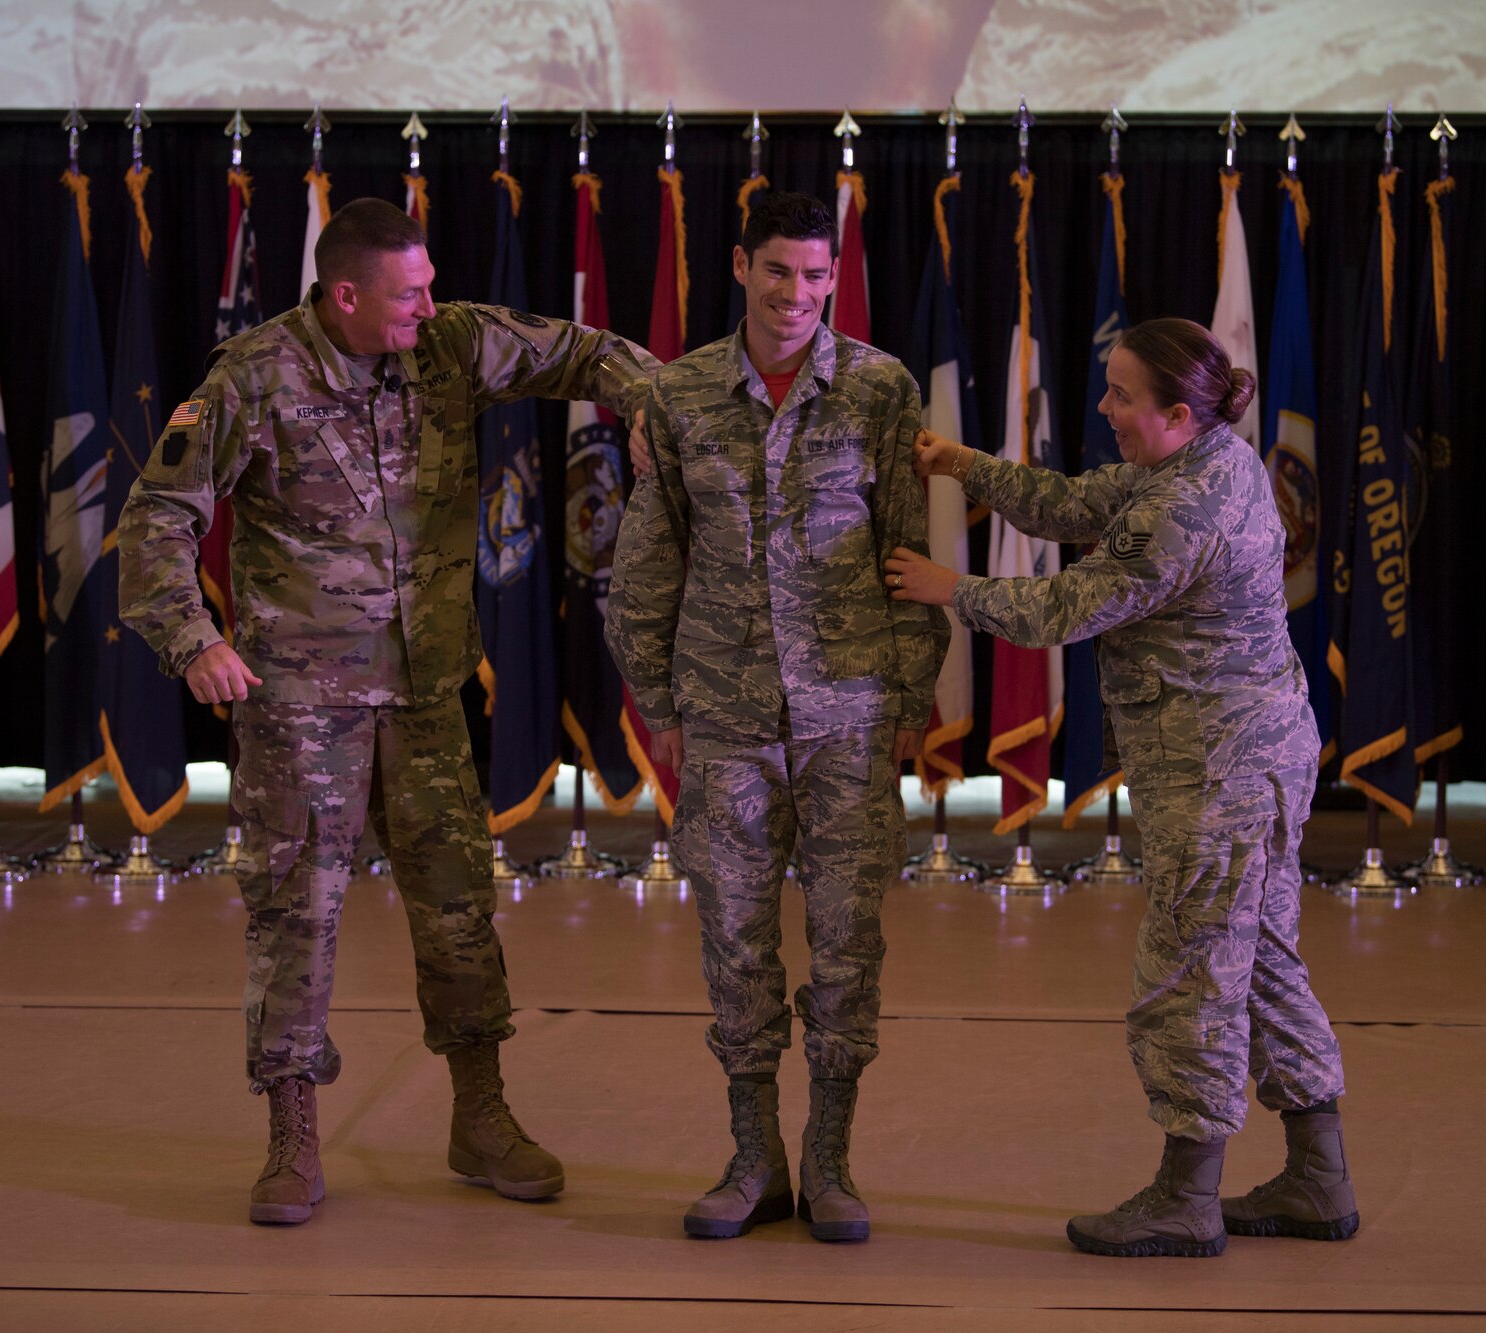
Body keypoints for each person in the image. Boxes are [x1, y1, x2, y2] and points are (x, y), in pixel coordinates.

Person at [118, 198, 657, 1226]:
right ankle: (290, 1133)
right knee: (296, 912)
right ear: (345, 293)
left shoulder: (449, 342)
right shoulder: (255, 376)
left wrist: (644, 402)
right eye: (407, 292)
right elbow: (156, 518)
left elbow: (583, 352)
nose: (429, 305)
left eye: (430, 284)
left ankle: (481, 1114)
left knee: (458, 906)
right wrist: (195, 641)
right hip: (300, 706)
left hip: (425, 691)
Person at [886, 317, 1354, 1258]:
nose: (1105, 409)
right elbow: (1074, 501)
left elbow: (1069, 604)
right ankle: (1319, 1174)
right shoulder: (1201, 460)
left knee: (1191, 974)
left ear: (1179, 413)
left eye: (1121, 396)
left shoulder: (1187, 508)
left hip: (1217, 769)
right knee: (1259, 959)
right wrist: (963, 463)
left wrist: (951, 588)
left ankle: (1189, 1193)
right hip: (1251, 755)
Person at [606, 191, 947, 1243]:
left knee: (847, 946)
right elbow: (648, 555)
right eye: (777, 272)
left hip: (848, 714)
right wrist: (658, 701)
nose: (795, 296)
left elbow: (908, 559)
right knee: (734, 941)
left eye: (814, 277)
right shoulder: (680, 393)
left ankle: (829, 1161)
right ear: (740, 267)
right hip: (725, 716)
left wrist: (907, 695)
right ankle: (752, 1160)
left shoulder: (880, 390)